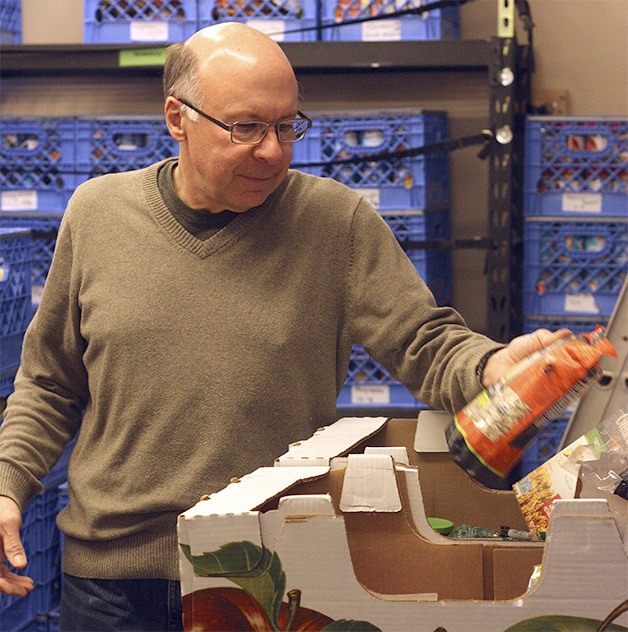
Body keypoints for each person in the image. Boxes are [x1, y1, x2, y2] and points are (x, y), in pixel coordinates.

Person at [0, 22, 569, 630]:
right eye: (246, 127)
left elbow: (425, 343)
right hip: (113, 582)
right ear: (177, 117)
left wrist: (491, 368)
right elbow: (49, 384)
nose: (272, 150)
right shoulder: (97, 213)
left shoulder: (334, 221)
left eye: (287, 126)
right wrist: (8, 484)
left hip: (267, 573)